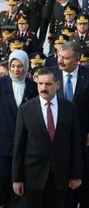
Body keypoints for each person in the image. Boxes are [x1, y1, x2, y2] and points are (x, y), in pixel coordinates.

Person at [12, 67, 83, 208]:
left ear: (57, 85)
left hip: (60, 176)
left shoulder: (70, 109)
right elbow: (18, 147)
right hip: (33, 176)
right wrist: (16, 179)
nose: (43, 88)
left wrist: (76, 174)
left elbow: (75, 144)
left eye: (48, 84)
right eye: (40, 83)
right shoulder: (25, 110)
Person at [0, 50, 37, 208]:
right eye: (13, 66)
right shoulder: (1, 84)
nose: (16, 70)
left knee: (20, 176)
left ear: (26, 67)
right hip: (3, 138)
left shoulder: (33, 86)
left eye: (20, 66)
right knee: (0, 175)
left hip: (24, 141)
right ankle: (4, 199)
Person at [52, 41, 89, 207]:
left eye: (66, 58)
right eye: (60, 56)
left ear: (78, 59)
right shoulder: (50, 76)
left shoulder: (87, 76)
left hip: (83, 143)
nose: (61, 61)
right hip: (56, 143)